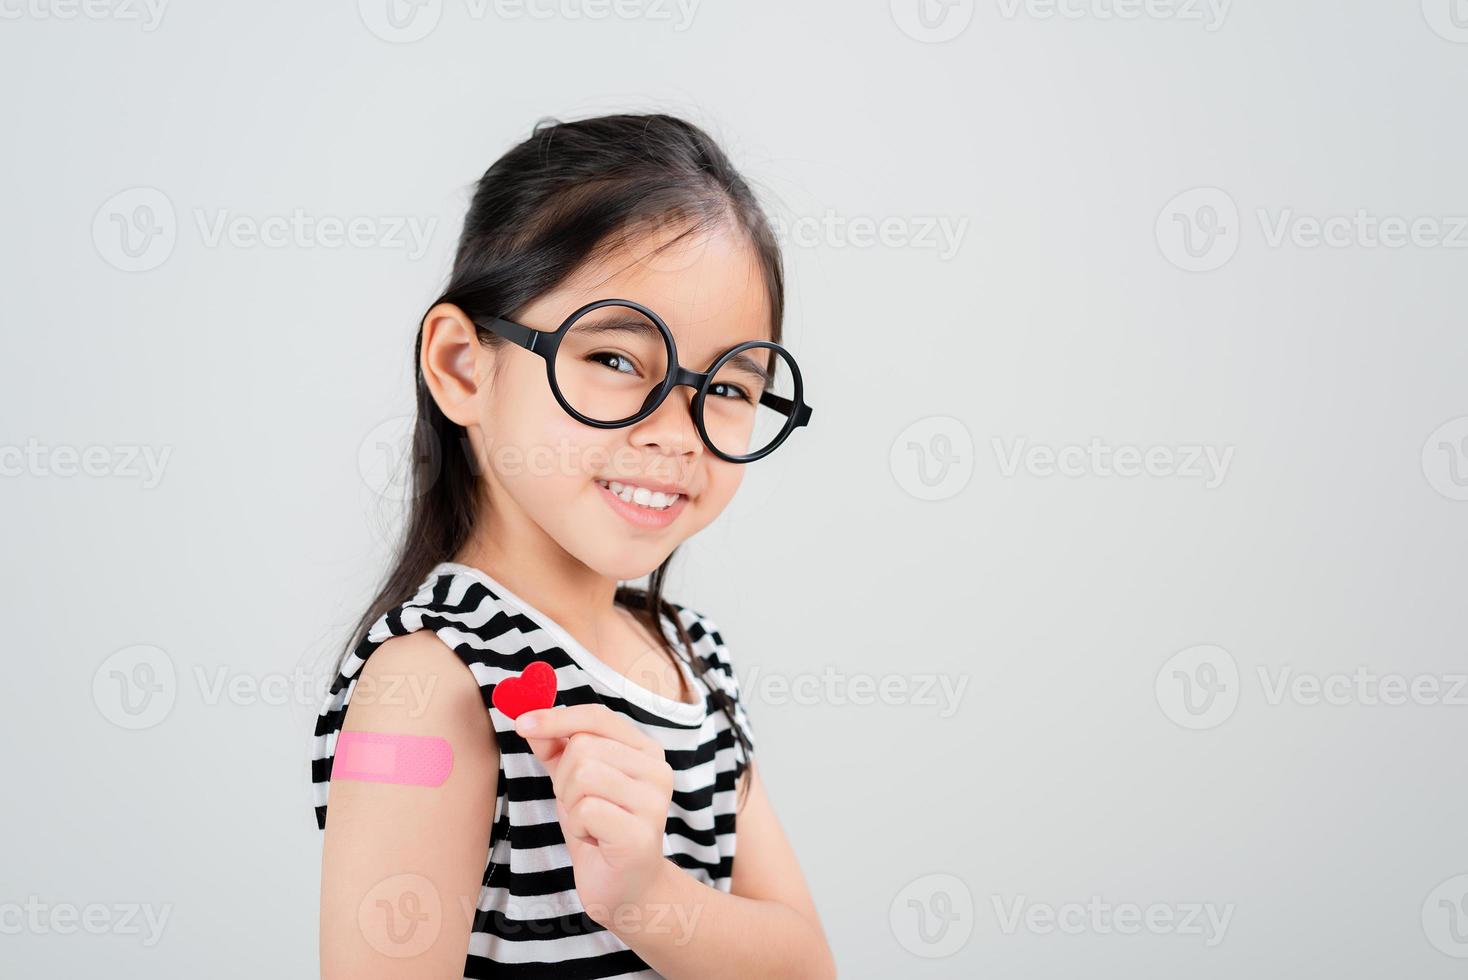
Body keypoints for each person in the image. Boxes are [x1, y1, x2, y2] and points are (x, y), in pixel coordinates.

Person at [310, 111, 832, 978]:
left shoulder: (690, 657)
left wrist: (643, 897)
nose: (679, 433)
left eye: (732, 385)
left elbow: (806, 966)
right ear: (463, 367)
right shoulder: (430, 682)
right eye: (620, 361)